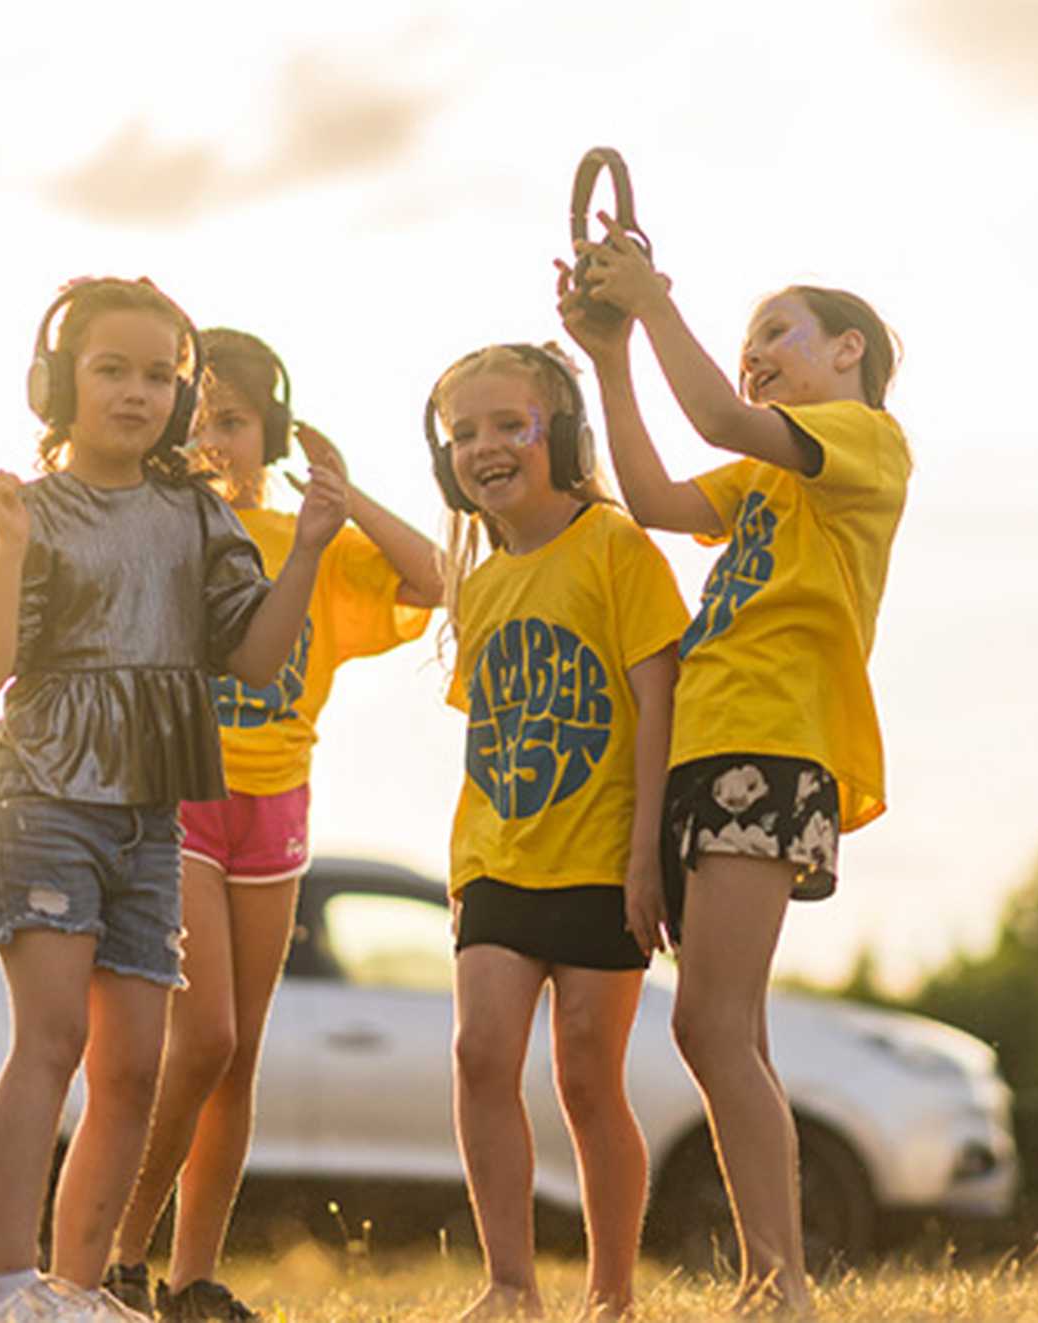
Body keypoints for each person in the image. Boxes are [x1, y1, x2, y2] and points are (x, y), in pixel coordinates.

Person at [0, 280, 348, 1323]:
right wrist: (11, 552)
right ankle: (6, 1286)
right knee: (51, 1040)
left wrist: (304, 553)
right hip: (44, 803)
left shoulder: (196, 515)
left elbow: (254, 660)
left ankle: (74, 1289)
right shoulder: (27, 511)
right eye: (110, 369)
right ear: (55, 382)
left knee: (135, 1066)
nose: (135, 392)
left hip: (149, 818)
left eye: (158, 375)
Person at [562, 218, 910, 1315]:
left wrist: (653, 302)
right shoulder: (763, 478)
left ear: (846, 350)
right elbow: (657, 500)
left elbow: (713, 410)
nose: (754, 349)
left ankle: (780, 1281)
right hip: (706, 752)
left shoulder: (862, 442)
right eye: (748, 335)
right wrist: (613, 356)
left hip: (771, 744)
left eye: (776, 330)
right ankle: (774, 1277)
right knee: (730, 1026)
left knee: (704, 1024)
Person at [102, 329, 441, 1322]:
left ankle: (190, 1277)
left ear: (271, 431)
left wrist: (343, 496)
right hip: (180, 799)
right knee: (199, 1036)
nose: (214, 439)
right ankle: (120, 1248)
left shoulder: (310, 538)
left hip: (278, 805)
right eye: (197, 419)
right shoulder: (160, 525)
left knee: (238, 1050)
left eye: (236, 421)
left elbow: (432, 579)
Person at [428, 343, 686, 1322]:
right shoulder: (483, 584)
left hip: (601, 859)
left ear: (560, 436)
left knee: (586, 1070)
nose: (484, 447)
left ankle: (610, 1294)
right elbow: (491, 732)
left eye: (508, 425)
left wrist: (644, 858)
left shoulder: (614, 546)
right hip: (496, 859)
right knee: (478, 1056)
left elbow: (654, 705)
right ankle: (509, 1286)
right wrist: (463, 861)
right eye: (462, 433)